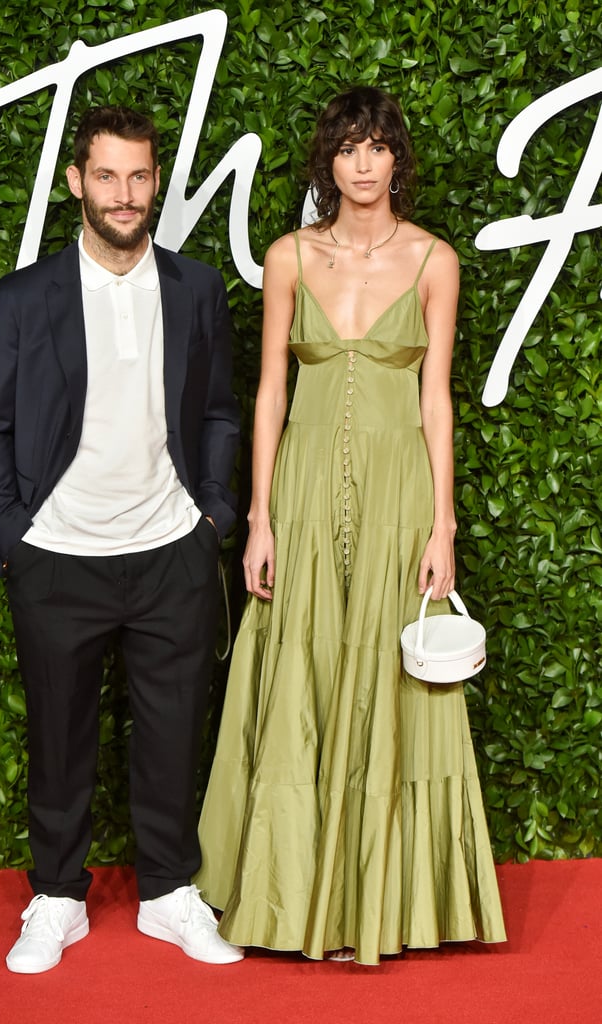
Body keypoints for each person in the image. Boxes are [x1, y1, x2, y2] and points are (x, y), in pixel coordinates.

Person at [195, 87, 506, 964]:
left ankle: (377, 901)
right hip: (298, 489)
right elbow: (268, 393)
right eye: (347, 148)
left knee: (386, 672)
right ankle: (294, 897)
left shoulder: (434, 260)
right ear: (326, 162)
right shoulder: (289, 256)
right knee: (305, 666)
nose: (362, 164)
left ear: (396, 158)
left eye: (376, 147)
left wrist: (443, 523)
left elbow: (436, 398)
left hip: (398, 489)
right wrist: (258, 517)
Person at [0, 106, 243, 972]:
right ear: (77, 182)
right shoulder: (25, 298)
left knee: (171, 737)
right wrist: (17, 532)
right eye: (108, 176)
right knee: (59, 738)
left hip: (172, 553)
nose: (125, 195)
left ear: (156, 181)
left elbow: (220, 413)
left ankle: (167, 894)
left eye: (140, 177)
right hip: (58, 557)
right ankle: (56, 897)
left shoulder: (196, 289)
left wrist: (214, 519)